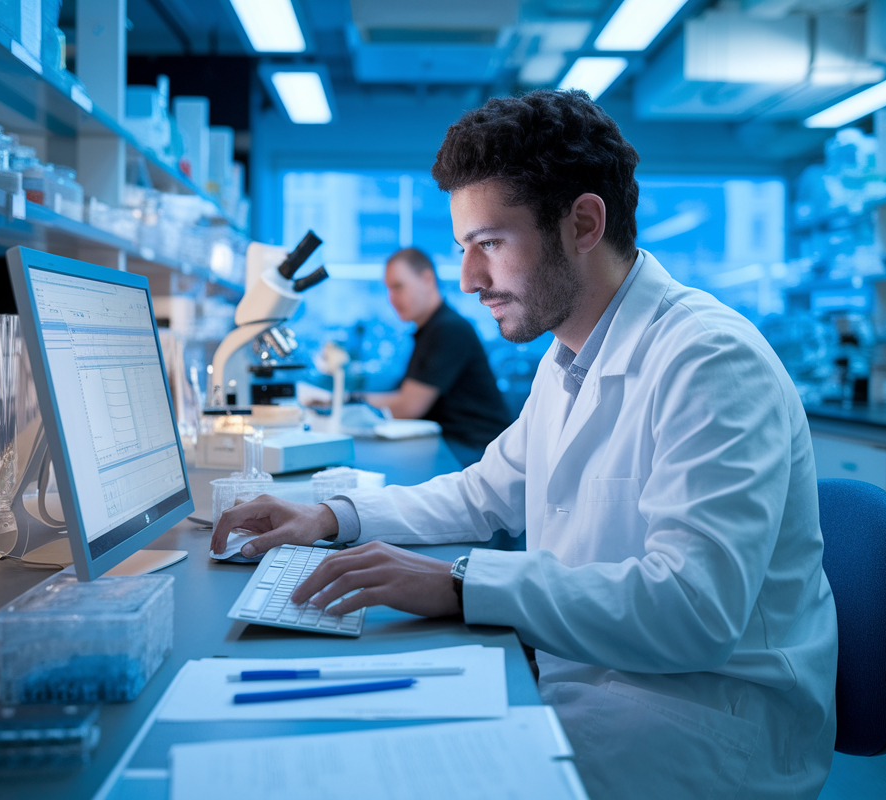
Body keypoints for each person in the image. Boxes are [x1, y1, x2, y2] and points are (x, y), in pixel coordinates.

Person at [213, 89, 838, 799]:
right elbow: (484, 491)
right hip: (592, 679)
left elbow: (695, 611)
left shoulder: (710, 359)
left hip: (700, 725)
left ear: (582, 222)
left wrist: (458, 583)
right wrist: (328, 517)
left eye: (490, 245)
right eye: (463, 250)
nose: (469, 280)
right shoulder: (569, 357)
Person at [360, 247, 512, 466]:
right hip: (455, 447)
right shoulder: (431, 329)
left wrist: (350, 402)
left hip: (476, 453)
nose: (391, 299)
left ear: (427, 279)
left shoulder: (448, 329)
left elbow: (408, 406)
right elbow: (403, 395)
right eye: (388, 290)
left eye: (398, 287)